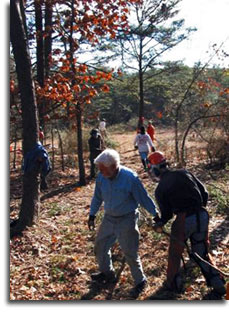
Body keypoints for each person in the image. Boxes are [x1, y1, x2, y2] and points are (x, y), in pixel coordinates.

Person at [147, 151, 226, 297]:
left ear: (154, 169)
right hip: (202, 215)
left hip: (183, 220)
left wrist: (159, 223)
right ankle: (218, 282)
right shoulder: (184, 173)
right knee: (201, 252)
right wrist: (197, 208)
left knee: (175, 254)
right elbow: (205, 193)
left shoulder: (161, 188)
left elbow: (167, 215)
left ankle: (173, 284)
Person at [88, 149, 159, 296]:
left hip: (127, 218)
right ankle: (107, 273)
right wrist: (92, 214)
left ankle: (140, 280)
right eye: (99, 169)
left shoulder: (130, 178)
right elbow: (97, 197)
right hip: (109, 218)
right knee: (100, 246)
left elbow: (143, 198)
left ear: (113, 166)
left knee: (130, 252)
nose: (100, 172)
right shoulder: (101, 178)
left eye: (103, 168)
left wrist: (155, 214)